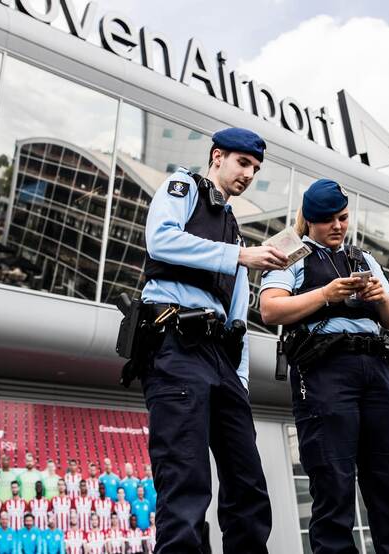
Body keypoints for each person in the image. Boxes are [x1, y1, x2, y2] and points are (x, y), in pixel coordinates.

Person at [259, 178, 389, 554]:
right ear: (310, 221)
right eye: (328, 220)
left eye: (343, 218)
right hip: (324, 370)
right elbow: (270, 308)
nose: (338, 226)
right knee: (333, 484)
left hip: (376, 369)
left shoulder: (364, 259)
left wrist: (381, 298)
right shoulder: (291, 250)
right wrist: (326, 295)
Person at [138, 127, 279, 553]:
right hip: (176, 340)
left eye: (255, 168)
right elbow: (159, 239)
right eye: (243, 163)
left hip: (221, 357)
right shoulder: (184, 187)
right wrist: (240, 255)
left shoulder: (232, 226)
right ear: (217, 156)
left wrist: (240, 378)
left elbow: (238, 313)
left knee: (248, 481)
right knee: (186, 478)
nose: (249, 174)